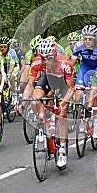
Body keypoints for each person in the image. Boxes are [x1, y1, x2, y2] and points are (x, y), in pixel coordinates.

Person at [31, 38, 75, 169]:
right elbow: (30, 83)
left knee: (62, 113)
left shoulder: (65, 63)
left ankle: (62, 148)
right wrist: (22, 101)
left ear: (55, 56)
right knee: (35, 101)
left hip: (62, 83)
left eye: (48, 58)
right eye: (43, 58)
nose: (45, 61)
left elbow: (71, 88)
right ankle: (42, 123)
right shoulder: (38, 62)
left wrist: (63, 102)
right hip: (48, 79)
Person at [70, 25, 97, 114]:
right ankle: (79, 114)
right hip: (84, 68)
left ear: (96, 38)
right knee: (78, 94)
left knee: (96, 94)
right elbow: (72, 63)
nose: (87, 41)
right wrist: (69, 72)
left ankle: (95, 116)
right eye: (85, 39)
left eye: (90, 39)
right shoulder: (78, 45)